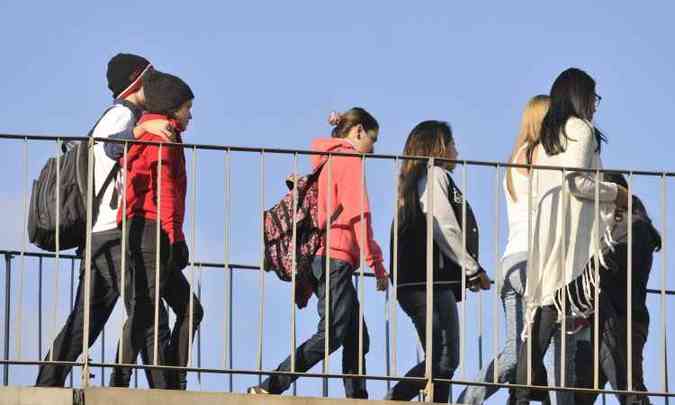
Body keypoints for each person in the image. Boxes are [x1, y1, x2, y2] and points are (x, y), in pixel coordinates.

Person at [35, 53, 171, 387]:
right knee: (149, 313)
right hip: (111, 232)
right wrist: (142, 128)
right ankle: (166, 392)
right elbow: (112, 148)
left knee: (87, 322)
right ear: (136, 83)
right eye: (150, 80)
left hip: (101, 236)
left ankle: (46, 384)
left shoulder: (122, 115)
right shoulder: (120, 115)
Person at [247, 107, 389, 398]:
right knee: (332, 335)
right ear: (358, 131)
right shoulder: (348, 158)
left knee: (356, 335)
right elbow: (359, 215)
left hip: (326, 257)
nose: (373, 148)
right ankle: (270, 385)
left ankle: (357, 396)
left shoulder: (327, 160)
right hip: (335, 256)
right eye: (372, 139)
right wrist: (377, 264)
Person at [509, 68, 629, 404]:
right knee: (558, 320)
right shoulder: (580, 129)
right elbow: (576, 182)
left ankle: (521, 396)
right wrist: (616, 193)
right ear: (581, 96)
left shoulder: (549, 135)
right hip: (574, 243)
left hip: (551, 235)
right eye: (594, 97)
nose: (595, 105)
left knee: (546, 318)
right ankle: (629, 397)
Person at [108, 71, 203, 389]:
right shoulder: (160, 136)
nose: (191, 114)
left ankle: (171, 379)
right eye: (187, 107)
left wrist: (178, 236)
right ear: (173, 107)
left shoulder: (158, 132)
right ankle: (126, 379)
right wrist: (175, 237)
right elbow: (164, 190)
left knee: (178, 308)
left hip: (151, 228)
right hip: (152, 229)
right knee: (147, 307)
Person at [386, 120, 490, 403]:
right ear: (440, 147)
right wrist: (473, 268)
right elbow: (444, 226)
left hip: (423, 282)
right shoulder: (434, 175)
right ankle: (395, 397)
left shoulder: (417, 180)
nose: (456, 150)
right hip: (427, 282)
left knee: (444, 359)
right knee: (443, 358)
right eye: (452, 143)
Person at [458, 95, 551, 404]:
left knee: (517, 350)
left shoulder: (516, 157)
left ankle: (472, 399)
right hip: (531, 263)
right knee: (539, 341)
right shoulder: (538, 155)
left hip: (511, 261)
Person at [575, 173, 660, 405]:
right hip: (600, 321)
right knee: (577, 394)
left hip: (623, 320)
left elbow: (614, 262)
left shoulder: (634, 226)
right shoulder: (612, 229)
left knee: (630, 391)